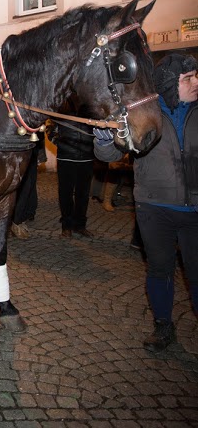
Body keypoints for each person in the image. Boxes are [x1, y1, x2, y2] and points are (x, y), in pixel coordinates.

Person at [93, 53, 198, 352]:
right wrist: (104, 140)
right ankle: (163, 325)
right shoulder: (145, 115)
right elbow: (111, 156)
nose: (195, 83)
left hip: (196, 210)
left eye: (195, 76)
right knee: (159, 269)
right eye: (187, 79)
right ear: (168, 84)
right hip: (154, 208)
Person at [46, 117, 95, 238]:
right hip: (66, 157)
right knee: (65, 193)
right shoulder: (62, 109)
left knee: (83, 194)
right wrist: (61, 143)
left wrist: (93, 144)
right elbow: (49, 128)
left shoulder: (89, 109)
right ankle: (66, 226)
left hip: (87, 156)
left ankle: (80, 225)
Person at [10, 134, 45, 239]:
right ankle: (16, 221)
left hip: (31, 149)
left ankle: (20, 218)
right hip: (16, 148)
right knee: (21, 186)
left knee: (28, 186)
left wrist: (40, 154)